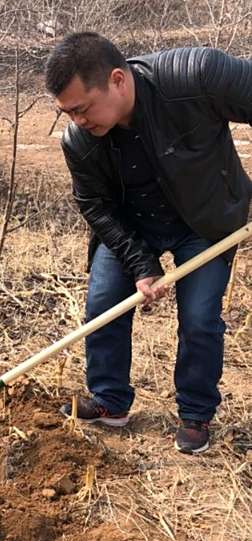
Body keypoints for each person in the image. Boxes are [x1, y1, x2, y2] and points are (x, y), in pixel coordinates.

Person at [45, 32, 252, 453]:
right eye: (68, 113)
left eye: (83, 109)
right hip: (132, 225)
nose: (78, 122)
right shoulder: (79, 141)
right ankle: (110, 401)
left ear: (117, 80)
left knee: (198, 319)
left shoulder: (195, 75)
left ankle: (195, 414)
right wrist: (141, 265)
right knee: (102, 305)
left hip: (205, 220)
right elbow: (96, 206)